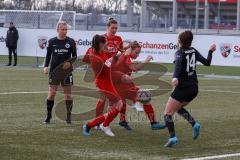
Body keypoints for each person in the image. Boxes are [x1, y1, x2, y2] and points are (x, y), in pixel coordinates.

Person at [163, 31, 216, 147]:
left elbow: (178, 65)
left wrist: (175, 77)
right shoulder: (193, 50)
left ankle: (173, 138)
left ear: (180, 41)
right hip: (194, 88)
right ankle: (194, 124)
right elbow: (207, 63)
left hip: (183, 88)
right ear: (190, 41)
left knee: (167, 114)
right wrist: (210, 51)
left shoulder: (179, 52)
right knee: (179, 108)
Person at [111, 41, 166, 131]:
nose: (137, 55)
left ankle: (122, 120)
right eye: (136, 52)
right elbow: (135, 68)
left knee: (122, 103)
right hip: (122, 85)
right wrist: (146, 61)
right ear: (130, 50)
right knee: (145, 98)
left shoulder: (123, 55)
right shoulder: (126, 57)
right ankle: (153, 122)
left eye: (139, 53)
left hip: (120, 84)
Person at [82, 34, 123, 137]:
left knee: (113, 107)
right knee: (119, 104)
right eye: (104, 43)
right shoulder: (96, 58)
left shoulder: (98, 51)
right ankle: (103, 125)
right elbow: (107, 65)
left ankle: (92, 125)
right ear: (100, 44)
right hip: (103, 83)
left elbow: (85, 59)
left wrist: (116, 55)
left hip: (107, 81)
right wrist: (115, 58)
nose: (106, 44)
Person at [43, 21, 77, 124]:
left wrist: (70, 63)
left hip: (66, 72)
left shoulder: (71, 42)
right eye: (63, 29)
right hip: (54, 72)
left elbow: (75, 57)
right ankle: (49, 115)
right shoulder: (52, 41)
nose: (65, 31)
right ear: (57, 30)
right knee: (52, 94)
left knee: (68, 95)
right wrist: (45, 66)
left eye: (66, 29)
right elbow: (48, 55)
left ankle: (68, 116)